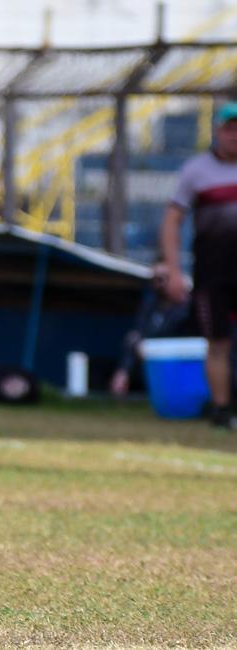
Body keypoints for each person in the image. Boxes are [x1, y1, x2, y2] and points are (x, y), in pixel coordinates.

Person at [162, 101, 237, 429]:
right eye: (229, 128)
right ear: (218, 131)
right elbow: (171, 221)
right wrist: (174, 270)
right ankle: (221, 409)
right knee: (217, 342)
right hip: (213, 272)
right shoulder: (196, 170)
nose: (234, 135)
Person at [109, 261, 191, 397]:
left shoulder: (186, 307)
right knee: (131, 339)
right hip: (149, 357)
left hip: (175, 359)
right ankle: (121, 379)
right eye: (155, 280)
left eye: (163, 279)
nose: (159, 284)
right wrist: (141, 344)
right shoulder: (150, 304)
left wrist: (150, 346)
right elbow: (139, 330)